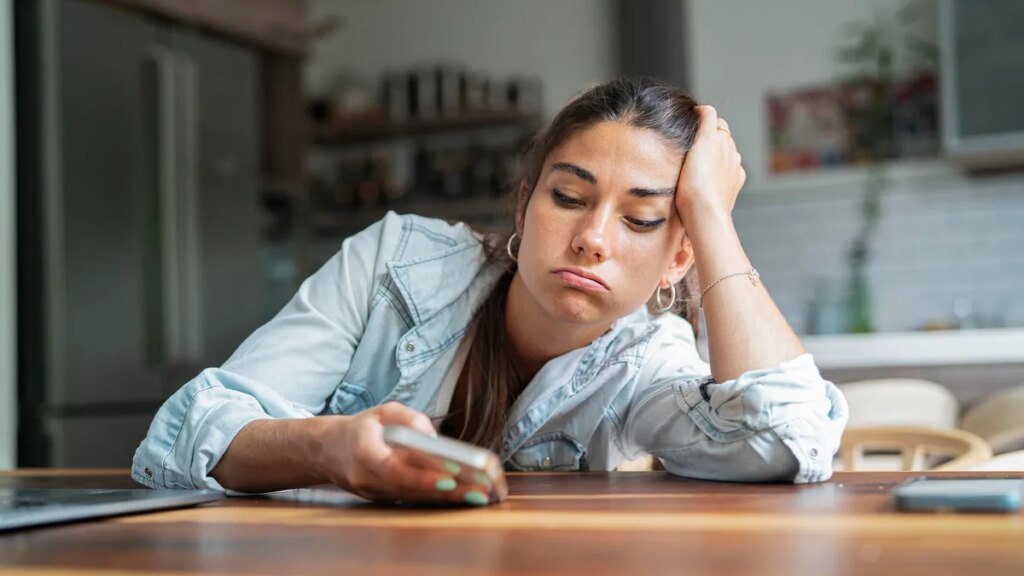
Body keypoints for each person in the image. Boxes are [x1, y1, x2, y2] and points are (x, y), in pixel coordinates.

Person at [132, 77, 848, 505]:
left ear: (676, 258)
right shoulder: (395, 262)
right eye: (569, 197)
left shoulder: (648, 360)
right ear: (523, 207)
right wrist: (329, 449)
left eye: (642, 219)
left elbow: (788, 440)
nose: (594, 237)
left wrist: (714, 220)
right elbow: (184, 434)